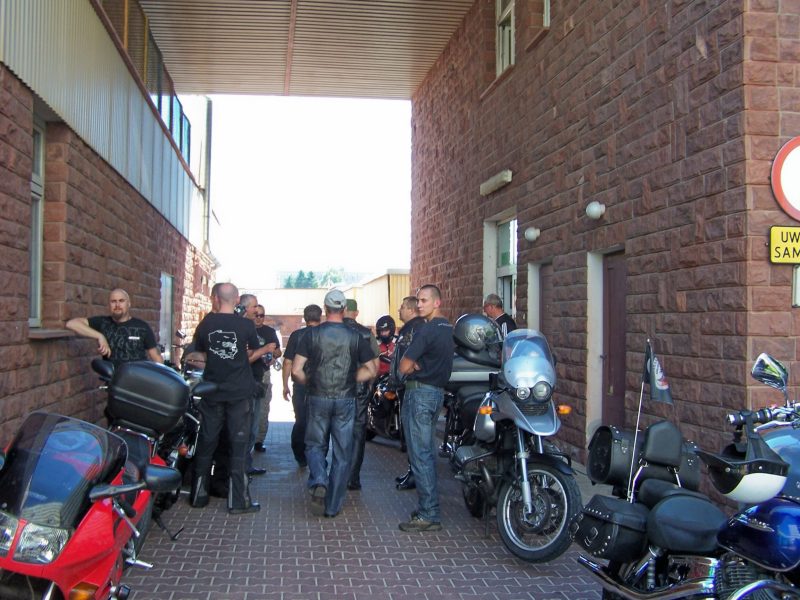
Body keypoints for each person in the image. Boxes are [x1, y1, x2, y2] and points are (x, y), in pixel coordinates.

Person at [291, 289, 376, 518]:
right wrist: (351, 378)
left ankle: (319, 479)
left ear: (325, 308)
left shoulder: (311, 334)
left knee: (314, 445)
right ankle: (332, 506)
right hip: (346, 398)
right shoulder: (356, 336)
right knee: (343, 452)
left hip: (318, 395)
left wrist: (310, 382)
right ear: (344, 310)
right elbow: (371, 369)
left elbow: (296, 370)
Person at [189, 282, 261, 515]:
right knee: (238, 446)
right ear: (237, 299)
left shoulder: (206, 323)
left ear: (216, 298)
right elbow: (252, 350)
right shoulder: (246, 325)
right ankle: (238, 501)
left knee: (207, 442)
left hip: (213, 390)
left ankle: (198, 496)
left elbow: (200, 351)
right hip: (239, 392)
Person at [397, 284, 454, 532]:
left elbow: (402, 366)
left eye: (424, 300)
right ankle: (428, 509)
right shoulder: (448, 328)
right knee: (427, 452)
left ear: (437, 302)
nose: (419, 305)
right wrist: (416, 364)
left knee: (420, 454)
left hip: (420, 394)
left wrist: (413, 365)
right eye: (418, 300)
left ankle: (429, 513)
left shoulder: (426, 330)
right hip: (437, 394)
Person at [66, 288, 163, 365]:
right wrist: (100, 336)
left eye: (121, 301)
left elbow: (156, 357)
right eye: (113, 301)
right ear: (109, 305)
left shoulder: (142, 327)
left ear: (128, 304)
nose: (117, 305)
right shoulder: (103, 322)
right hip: (114, 380)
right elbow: (71, 324)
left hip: (138, 380)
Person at [343, 298, 380, 491]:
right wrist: (369, 385)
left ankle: (334, 474)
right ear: (356, 313)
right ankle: (353, 477)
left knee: (335, 430)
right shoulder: (366, 333)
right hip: (360, 389)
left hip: (334, 388)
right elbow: (375, 365)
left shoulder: (331, 331)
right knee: (358, 432)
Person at [282, 303, 322, 467]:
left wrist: (285, 385)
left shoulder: (296, 335)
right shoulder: (324, 334)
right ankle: (317, 455)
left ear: (304, 318)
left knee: (301, 419)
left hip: (300, 384)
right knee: (319, 421)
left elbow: (288, 362)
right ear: (320, 317)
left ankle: (300, 455)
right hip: (321, 384)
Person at [393, 296, 426, 490]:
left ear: (411, 310)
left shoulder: (416, 328)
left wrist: (407, 374)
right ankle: (413, 471)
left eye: (402, 307)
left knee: (415, 435)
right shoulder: (409, 328)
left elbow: (415, 357)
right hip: (406, 385)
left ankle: (417, 475)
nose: (399, 310)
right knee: (410, 434)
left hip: (412, 386)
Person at [251, 303, 282, 454]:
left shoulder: (269, 332)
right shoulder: (245, 329)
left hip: (263, 372)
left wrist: (274, 354)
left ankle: (259, 440)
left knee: (263, 408)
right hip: (247, 372)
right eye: (256, 315)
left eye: (261, 315)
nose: (258, 318)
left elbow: (278, 351)